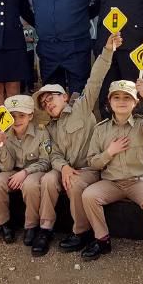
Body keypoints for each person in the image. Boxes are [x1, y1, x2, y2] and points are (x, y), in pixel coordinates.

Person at [31, 32, 121, 256]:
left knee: (74, 183)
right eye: (43, 104)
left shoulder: (81, 107)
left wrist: (108, 50)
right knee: (49, 179)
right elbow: (53, 155)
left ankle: (81, 232)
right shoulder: (49, 128)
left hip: (90, 169)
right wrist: (62, 167)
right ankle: (45, 229)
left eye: (50, 98)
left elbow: (95, 79)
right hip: (65, 169)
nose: (47, 104)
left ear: (64, 96)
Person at [81, 79, 143, 272]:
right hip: (112, 183)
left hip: (137, 182)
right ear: (109, 102)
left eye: (127, 97)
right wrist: (110, 152)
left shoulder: (142, 126)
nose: (121, 101)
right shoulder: (101, 129)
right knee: (89, 195)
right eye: (117, 97)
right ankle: (102, 240)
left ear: (135, 103)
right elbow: (92, 162)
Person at [0, 95, 59, 245]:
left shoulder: (41, 133)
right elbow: (6, 167)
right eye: (12, 116)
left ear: (31, 115)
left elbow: (45, 162)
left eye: (22, 115)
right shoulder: (5, 135)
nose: (17, 120)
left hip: (35, 171)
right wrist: (1, 146)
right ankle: (5, 223)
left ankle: (31, 225)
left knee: (30, 184)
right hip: (13, 170)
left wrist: (25, 172)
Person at [28, 0, 98, 97]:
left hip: (77, 47)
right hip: (48, 48)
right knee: (52, 95)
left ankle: (78, 123)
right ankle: (56, 122)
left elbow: (99, 4)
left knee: (79, 94)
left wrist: (80, 18)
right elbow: (33, 10)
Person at [21, 20, 39, 94]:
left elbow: (37, 39)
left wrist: (31, 39)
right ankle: (22, 87)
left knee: (30, 69)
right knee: (21, 69)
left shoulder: (33, 28)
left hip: (30, 50)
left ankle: (30, 87)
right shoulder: (20, 27)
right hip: (21, 51)